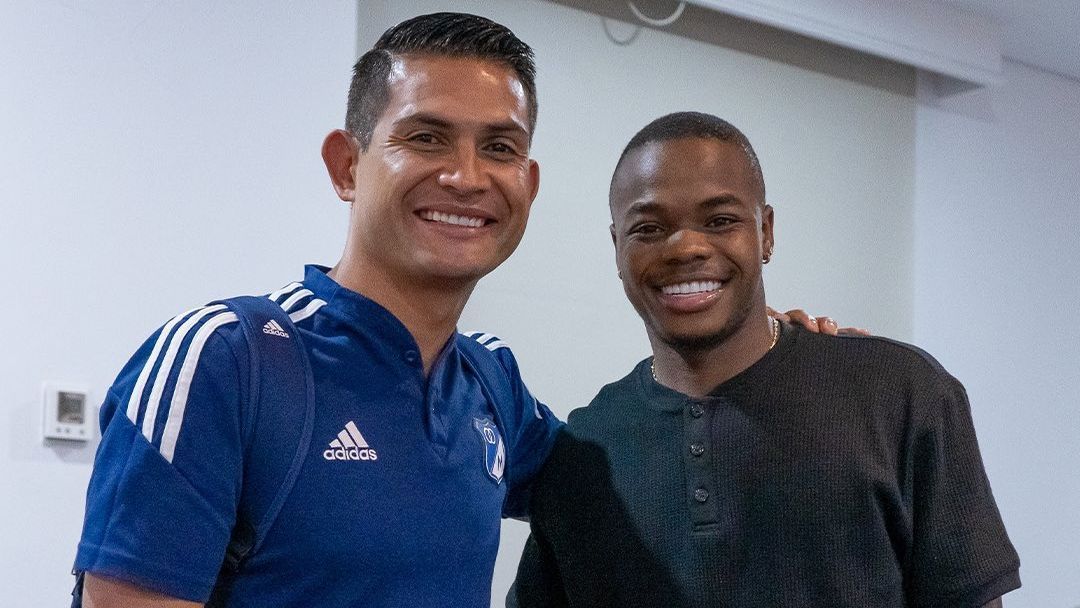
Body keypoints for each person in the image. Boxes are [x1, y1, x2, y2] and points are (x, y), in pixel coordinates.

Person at [72, 13, 839, 608]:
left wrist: (784, 351)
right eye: (427, 137)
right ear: (347, 165)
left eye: (500, 148)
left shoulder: (491, 383)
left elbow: (640, 469)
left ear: (528, 185)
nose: (468, 177)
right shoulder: (226, 358)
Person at [508, 112, 1020, 608]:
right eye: (649, 228)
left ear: (766, 232)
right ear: (616, 246)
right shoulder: (582, 450)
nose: (686, 247)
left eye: (720, 220)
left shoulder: (903, 394)